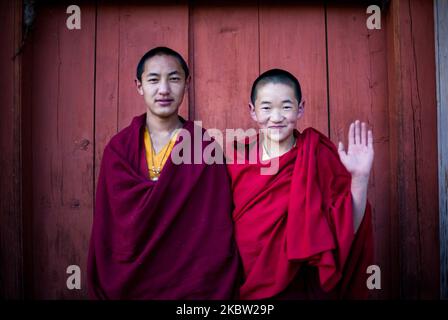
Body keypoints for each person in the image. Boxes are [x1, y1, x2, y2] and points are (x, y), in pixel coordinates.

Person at [87, 47, 240, 299]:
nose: (164, 89)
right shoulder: (119, 149)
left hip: (189, 280)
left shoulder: (204, 147)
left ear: (187, 84)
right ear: (139, 86)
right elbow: (110, 225)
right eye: (153, 79)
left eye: (174, 78)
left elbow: (215, 226)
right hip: (131, 277)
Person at [226, 69, 374, 300]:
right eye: (266, 108)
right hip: (244, 284)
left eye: (286, 107)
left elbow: (348, 230)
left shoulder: (318, 156)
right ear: (252, 111)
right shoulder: (237, 161)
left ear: (300, 108)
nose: (276, 117)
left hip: (302, 287)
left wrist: (360, 178)